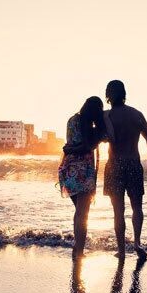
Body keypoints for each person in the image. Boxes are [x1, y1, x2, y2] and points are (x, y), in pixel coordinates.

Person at [102, 80, 147, 257]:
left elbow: (96, 137)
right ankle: (138, 243)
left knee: (118, 210)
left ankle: (121, 250)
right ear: (124, 93)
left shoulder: (106, 116)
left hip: (114, 165)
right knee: (137, 207)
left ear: (108, 95)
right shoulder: (136, 114)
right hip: (133, 163)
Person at [57, 96, 105, 256]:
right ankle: (79, 250)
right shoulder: (86, 124)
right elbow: (87, 146)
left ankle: (77, 246)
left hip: (68, 170)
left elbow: (72, 145)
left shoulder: (72, 120)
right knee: (82, 213)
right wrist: (98, 136)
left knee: (79, 212)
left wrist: (70, 149)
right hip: (82, 172)